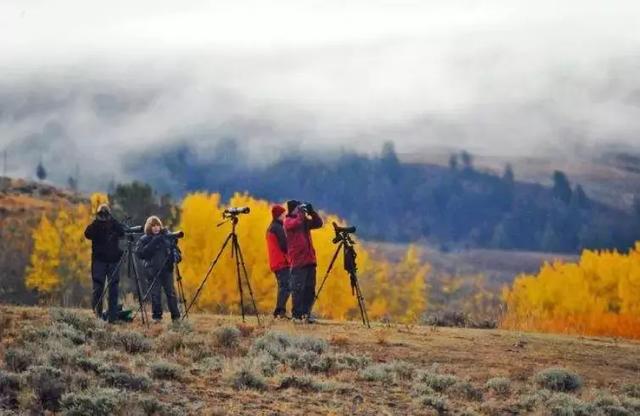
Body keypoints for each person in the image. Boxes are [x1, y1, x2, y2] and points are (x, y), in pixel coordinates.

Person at [284, 200, 323, 323]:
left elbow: (318, 223)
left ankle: (306, 314)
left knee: (309, 289)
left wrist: (312, 212)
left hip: (309, 260)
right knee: (298, 289)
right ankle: (297, 315)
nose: (300, 210)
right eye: (298, 208)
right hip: (298, 261)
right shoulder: (288, 221)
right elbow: (295, 223)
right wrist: (301, 213)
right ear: (292, 209)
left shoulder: (304, 221)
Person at [135, 216, 181, 322]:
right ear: (149, 227)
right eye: (153, 226)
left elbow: (176, 250)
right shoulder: (144, 239)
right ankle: (157, 318)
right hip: (152, 271)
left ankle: (176, 317)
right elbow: (140, 253)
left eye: (157, 225)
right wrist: (154, 242)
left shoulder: (166, 236)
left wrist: (176, 257)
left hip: (167, 270)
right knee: (155, 295)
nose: (156, 228)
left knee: (171, 294)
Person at [84, 204, 125, 322]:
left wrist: (112, 221)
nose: (103, 216)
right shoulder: (95, 226)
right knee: (98, 288)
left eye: (105, 214)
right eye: (101, 214)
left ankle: (112, 317)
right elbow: (87, 233)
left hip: (112, 261)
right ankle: (98, 315)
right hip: (99, 261)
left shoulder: (114, 224)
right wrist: (97, 221)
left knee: (113, 289)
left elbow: (122, 232)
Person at [266, 205, 290, 319]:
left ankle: (280, 311)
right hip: (281, 261)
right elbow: (284, 245)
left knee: (283, 286)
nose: (284, 216)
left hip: (276, 261)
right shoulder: (278, 228)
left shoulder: (272, 227)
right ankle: (280, 311)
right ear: (278, 215)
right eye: (283, 214)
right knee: (285, 286)